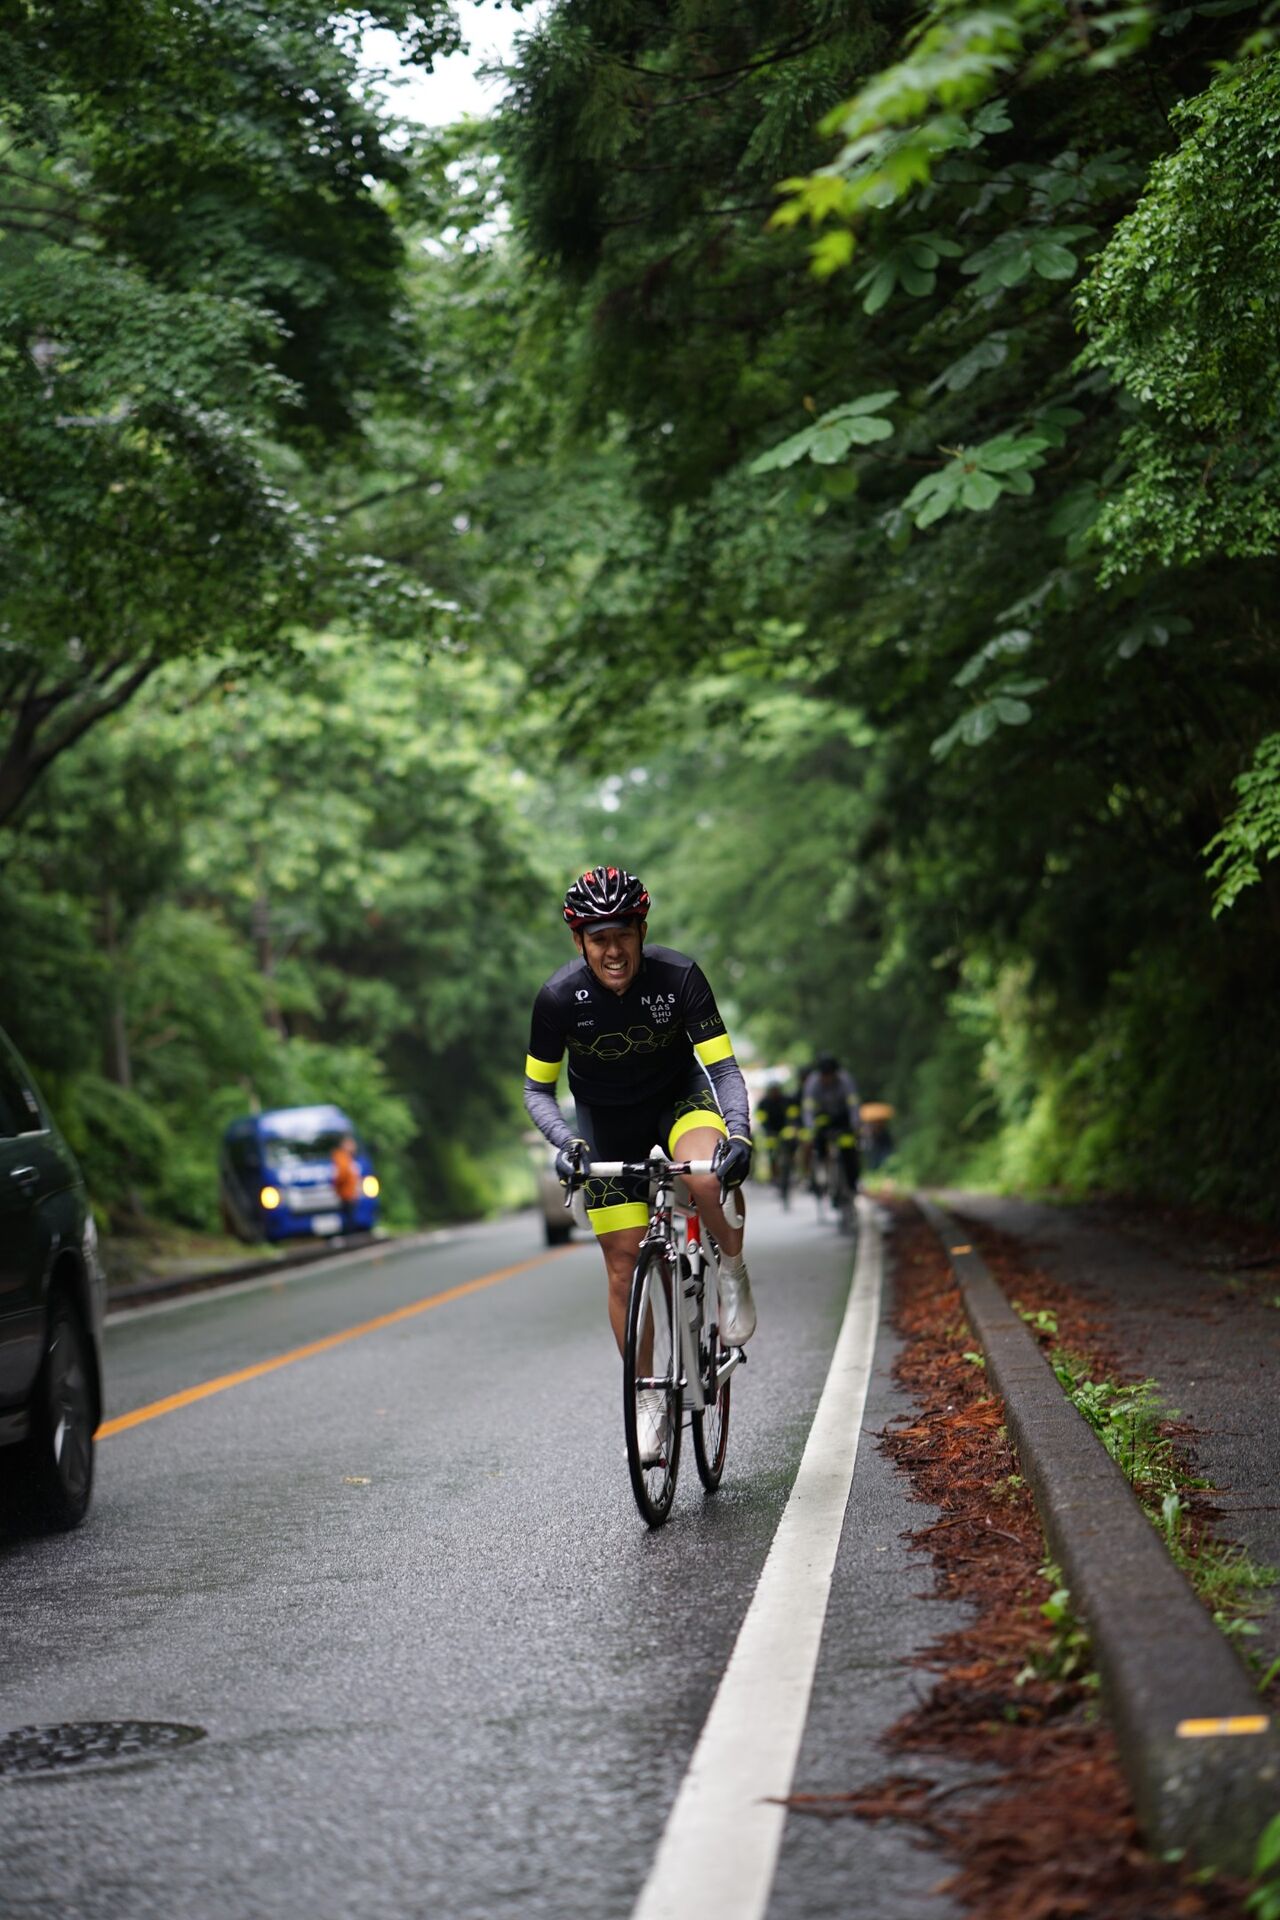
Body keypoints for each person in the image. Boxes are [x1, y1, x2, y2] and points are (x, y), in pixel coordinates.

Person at [523, 866, 755, 1464]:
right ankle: (648, 1397)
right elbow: (537, 1092)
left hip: (678, 1100)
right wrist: (565, 1141)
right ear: (579, 941)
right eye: (598, 938)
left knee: (705, 1173)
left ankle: (730, 1268)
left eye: (623, 933)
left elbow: (723, 1069)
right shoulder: (557, 999)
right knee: (623, 1263)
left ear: (641, 929)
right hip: (606, 1120)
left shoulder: (679, 977)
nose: (613, 950)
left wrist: (740, 1134)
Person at [802, 1053, 861, 1198]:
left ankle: (851, 1184)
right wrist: (810, 1127)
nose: (827, 1078)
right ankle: (822, 1177)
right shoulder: (813, 1083)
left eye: (830, 1075)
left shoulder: (845, 1081)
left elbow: (853, 1105)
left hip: (842, 1118)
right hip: (823, 1119)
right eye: (824, 1075)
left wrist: (855, 1123)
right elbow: (808, 1108)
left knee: (849, 1149)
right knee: (819, 1143)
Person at [331, 1133, 361, 1237]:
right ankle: (349, 1239)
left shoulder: (349, 1158)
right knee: (348, 1219)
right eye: (351, 1144)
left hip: (350, 1193)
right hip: (346, 1194)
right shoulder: (341, 1157)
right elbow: (342, 1174)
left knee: (351, 1217)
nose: (354, 1147)